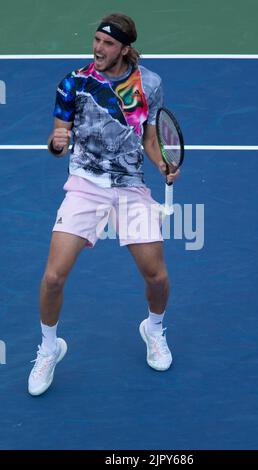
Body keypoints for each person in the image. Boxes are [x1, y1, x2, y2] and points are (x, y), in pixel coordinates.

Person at [28, 12, 179, 396]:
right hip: (85, 183)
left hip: (129, 185)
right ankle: (49, 348)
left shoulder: (150, 84)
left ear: (125, 49)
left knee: (156, 276)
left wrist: (162, 163)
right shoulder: (74, 83)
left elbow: (148, 136)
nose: (98, 48)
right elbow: (58, 133)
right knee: (53, 277)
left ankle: (154, 329)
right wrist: (56, 143)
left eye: (108, 43)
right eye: (96, 40)